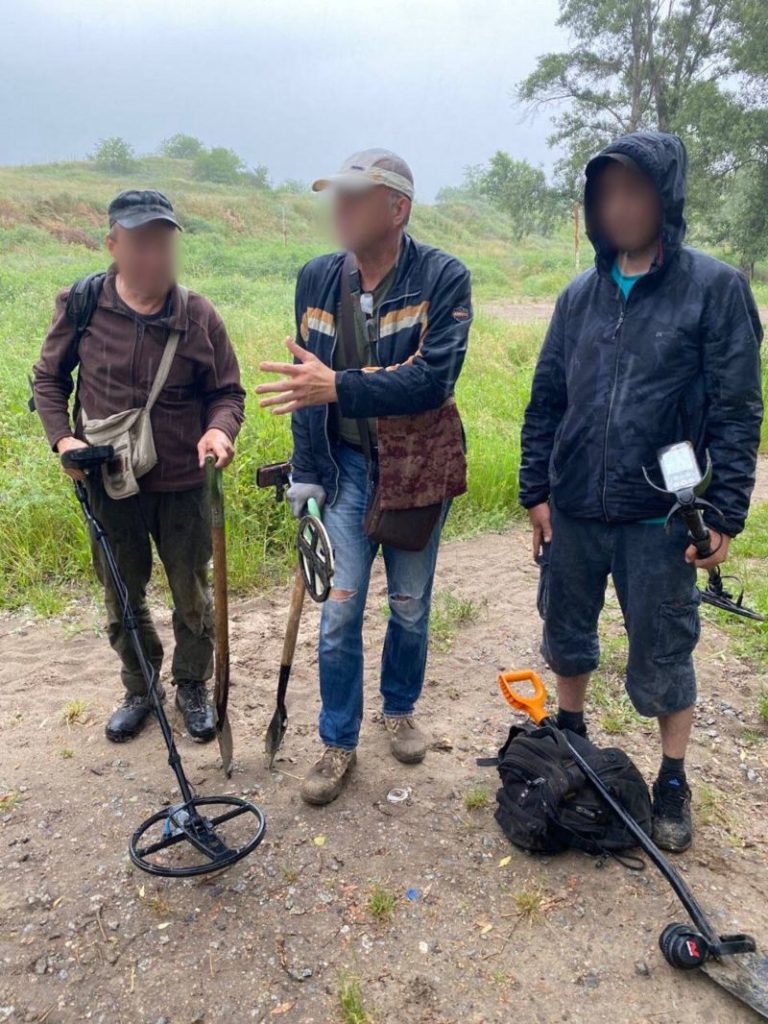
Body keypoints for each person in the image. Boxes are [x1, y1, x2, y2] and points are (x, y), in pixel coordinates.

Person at [519, 131, 763, 852]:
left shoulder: (713, 290)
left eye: (634, 190)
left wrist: (725, 512)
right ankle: (570, 737)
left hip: (660, 515)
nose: (619, 206)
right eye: (606, 193)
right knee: (566, 630)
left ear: (667, 197)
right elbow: (545, 401)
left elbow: (737, 409)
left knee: (663, 650)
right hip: (574, 507)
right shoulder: (578, 297)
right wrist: (537, 490)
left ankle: (673, 778)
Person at [257, 149, 472, 805]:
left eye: (356, 197)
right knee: (338, 611)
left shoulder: (443, 276)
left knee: (409, 605)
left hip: (415, 470)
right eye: (337, 196)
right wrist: (307, 478)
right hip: (344, 469)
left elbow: (433, 381)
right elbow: (304, 388)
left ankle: (400, 708)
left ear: (397, 209)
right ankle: (336, 741)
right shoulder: (316, 278)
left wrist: (339, 386)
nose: (340, 209)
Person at [34, 189, 245, 744]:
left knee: (191, 592)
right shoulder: (82, 306)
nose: (153, 255)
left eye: (162, 241)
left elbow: (228, 392)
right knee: (120, 592)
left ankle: (191, 684)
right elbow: (49, 381)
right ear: (113, 244)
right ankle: (140, 684)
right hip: (108, 482)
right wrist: (62, 442)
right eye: (140, 242)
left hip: (183, 486)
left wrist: (219, 429)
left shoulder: (198, 315)